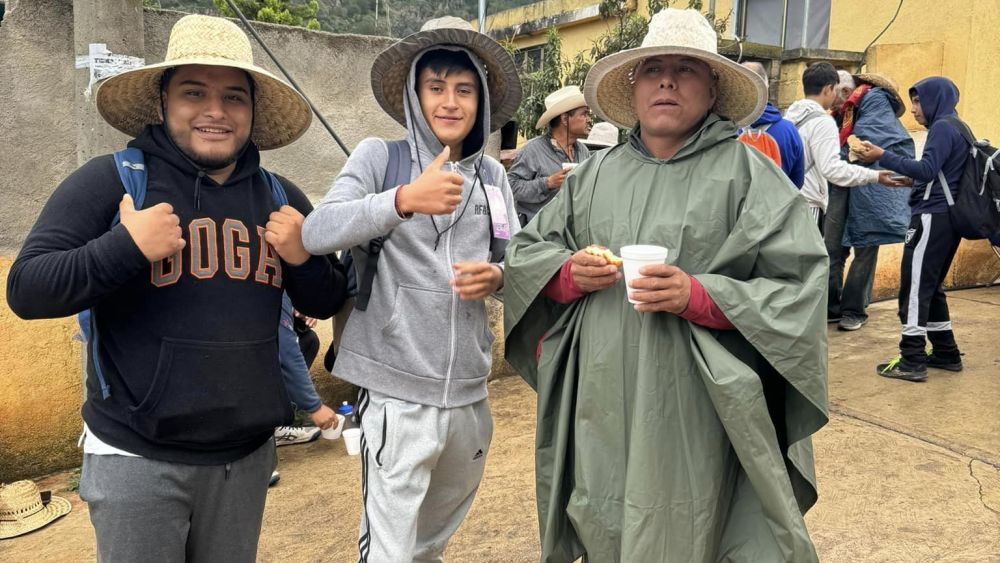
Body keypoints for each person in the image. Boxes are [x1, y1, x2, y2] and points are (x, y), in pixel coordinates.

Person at [5, 15, 346, 562]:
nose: (215, 111)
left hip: (244, 460)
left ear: (252, 113)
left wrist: (302, 259)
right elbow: (27, 289)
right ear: (164, 102)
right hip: (136, 456)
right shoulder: (113, 180)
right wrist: (125, 247)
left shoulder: (281, 195)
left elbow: (325, 300)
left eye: (234, 97)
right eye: (195, 92)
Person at [503, 8, 827, 562]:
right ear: (635, 86)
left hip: (700, 402)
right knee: (607, 511)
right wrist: (565, 275)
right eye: (654, 69)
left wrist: (701, 296)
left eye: (687, 69)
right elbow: (527, 253)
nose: (668, 80)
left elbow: (799, 285)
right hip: (601, 393)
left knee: (696, 518)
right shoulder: (594, 176)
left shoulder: (749, 176)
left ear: (712, 89)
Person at [301, 16, 522, 562]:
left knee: (431, 543)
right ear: (414, 94)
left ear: (482, 101)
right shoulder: (381, 158)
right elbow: (316, 230)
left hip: (470, 390)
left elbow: (516, 260)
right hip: (396, 392)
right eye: (436, 87)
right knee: (390, 550)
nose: (450, 101)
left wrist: (497, 278)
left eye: (464, 89)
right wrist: (402, 199)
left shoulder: (493, 178)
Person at [859, 77, 968, 381]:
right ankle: (946, 352)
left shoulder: (943, 128)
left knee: (916, 287)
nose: (915, 109)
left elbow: (928, 169)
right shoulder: (958, 127)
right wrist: (914, 181)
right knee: (930, 287)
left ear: (936, 99)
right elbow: (943, 174)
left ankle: (912, 360)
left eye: (919, 101)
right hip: (947, 218)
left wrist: (883, 155)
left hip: (932, 218)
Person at [821, 70, 915, 331]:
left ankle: (854, 309)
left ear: (842, 91)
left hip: (871, 182)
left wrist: (845, 154)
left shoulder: (874, 99)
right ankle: (829, 305)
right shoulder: (839, 113)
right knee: (831, 244)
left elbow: (870, 140)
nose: (830, 103)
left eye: (832, 95)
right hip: (842, 180)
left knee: (866, 244)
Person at [784, 62, 903, 230]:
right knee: (807, 255)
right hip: (808, 205)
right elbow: (832, 169)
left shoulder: (788, 117)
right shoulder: (823, 122)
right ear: (828, 89)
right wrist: (875, 176)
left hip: (785, 200)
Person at [507, 85, 591, 225]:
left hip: (571, 233)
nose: (588, 119)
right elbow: (511, 186)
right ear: (565, 119)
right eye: (584, 114)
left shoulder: (583, 151)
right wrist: (548, 183)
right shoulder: (533, 150)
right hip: (538, 236)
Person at [739, 61, 805, 188]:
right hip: (778, 205)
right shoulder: (789, 131)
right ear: (766, 85)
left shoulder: (727, 129)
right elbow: (797, 183)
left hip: (736, 207)